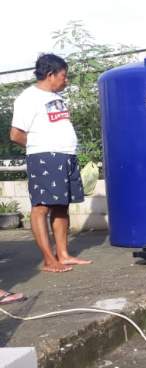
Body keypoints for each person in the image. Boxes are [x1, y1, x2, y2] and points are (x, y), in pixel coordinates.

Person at [9, 54, 92, 273]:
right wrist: (39, 147)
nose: (67, 81)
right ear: (50, 74)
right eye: (64, 76)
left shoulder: (57, 97)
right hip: (44, 157)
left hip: (66, 156)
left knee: (61, 206)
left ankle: (63, 255)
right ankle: (48, 259)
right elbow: (16, 134)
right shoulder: (28, 98)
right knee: (41, 207)